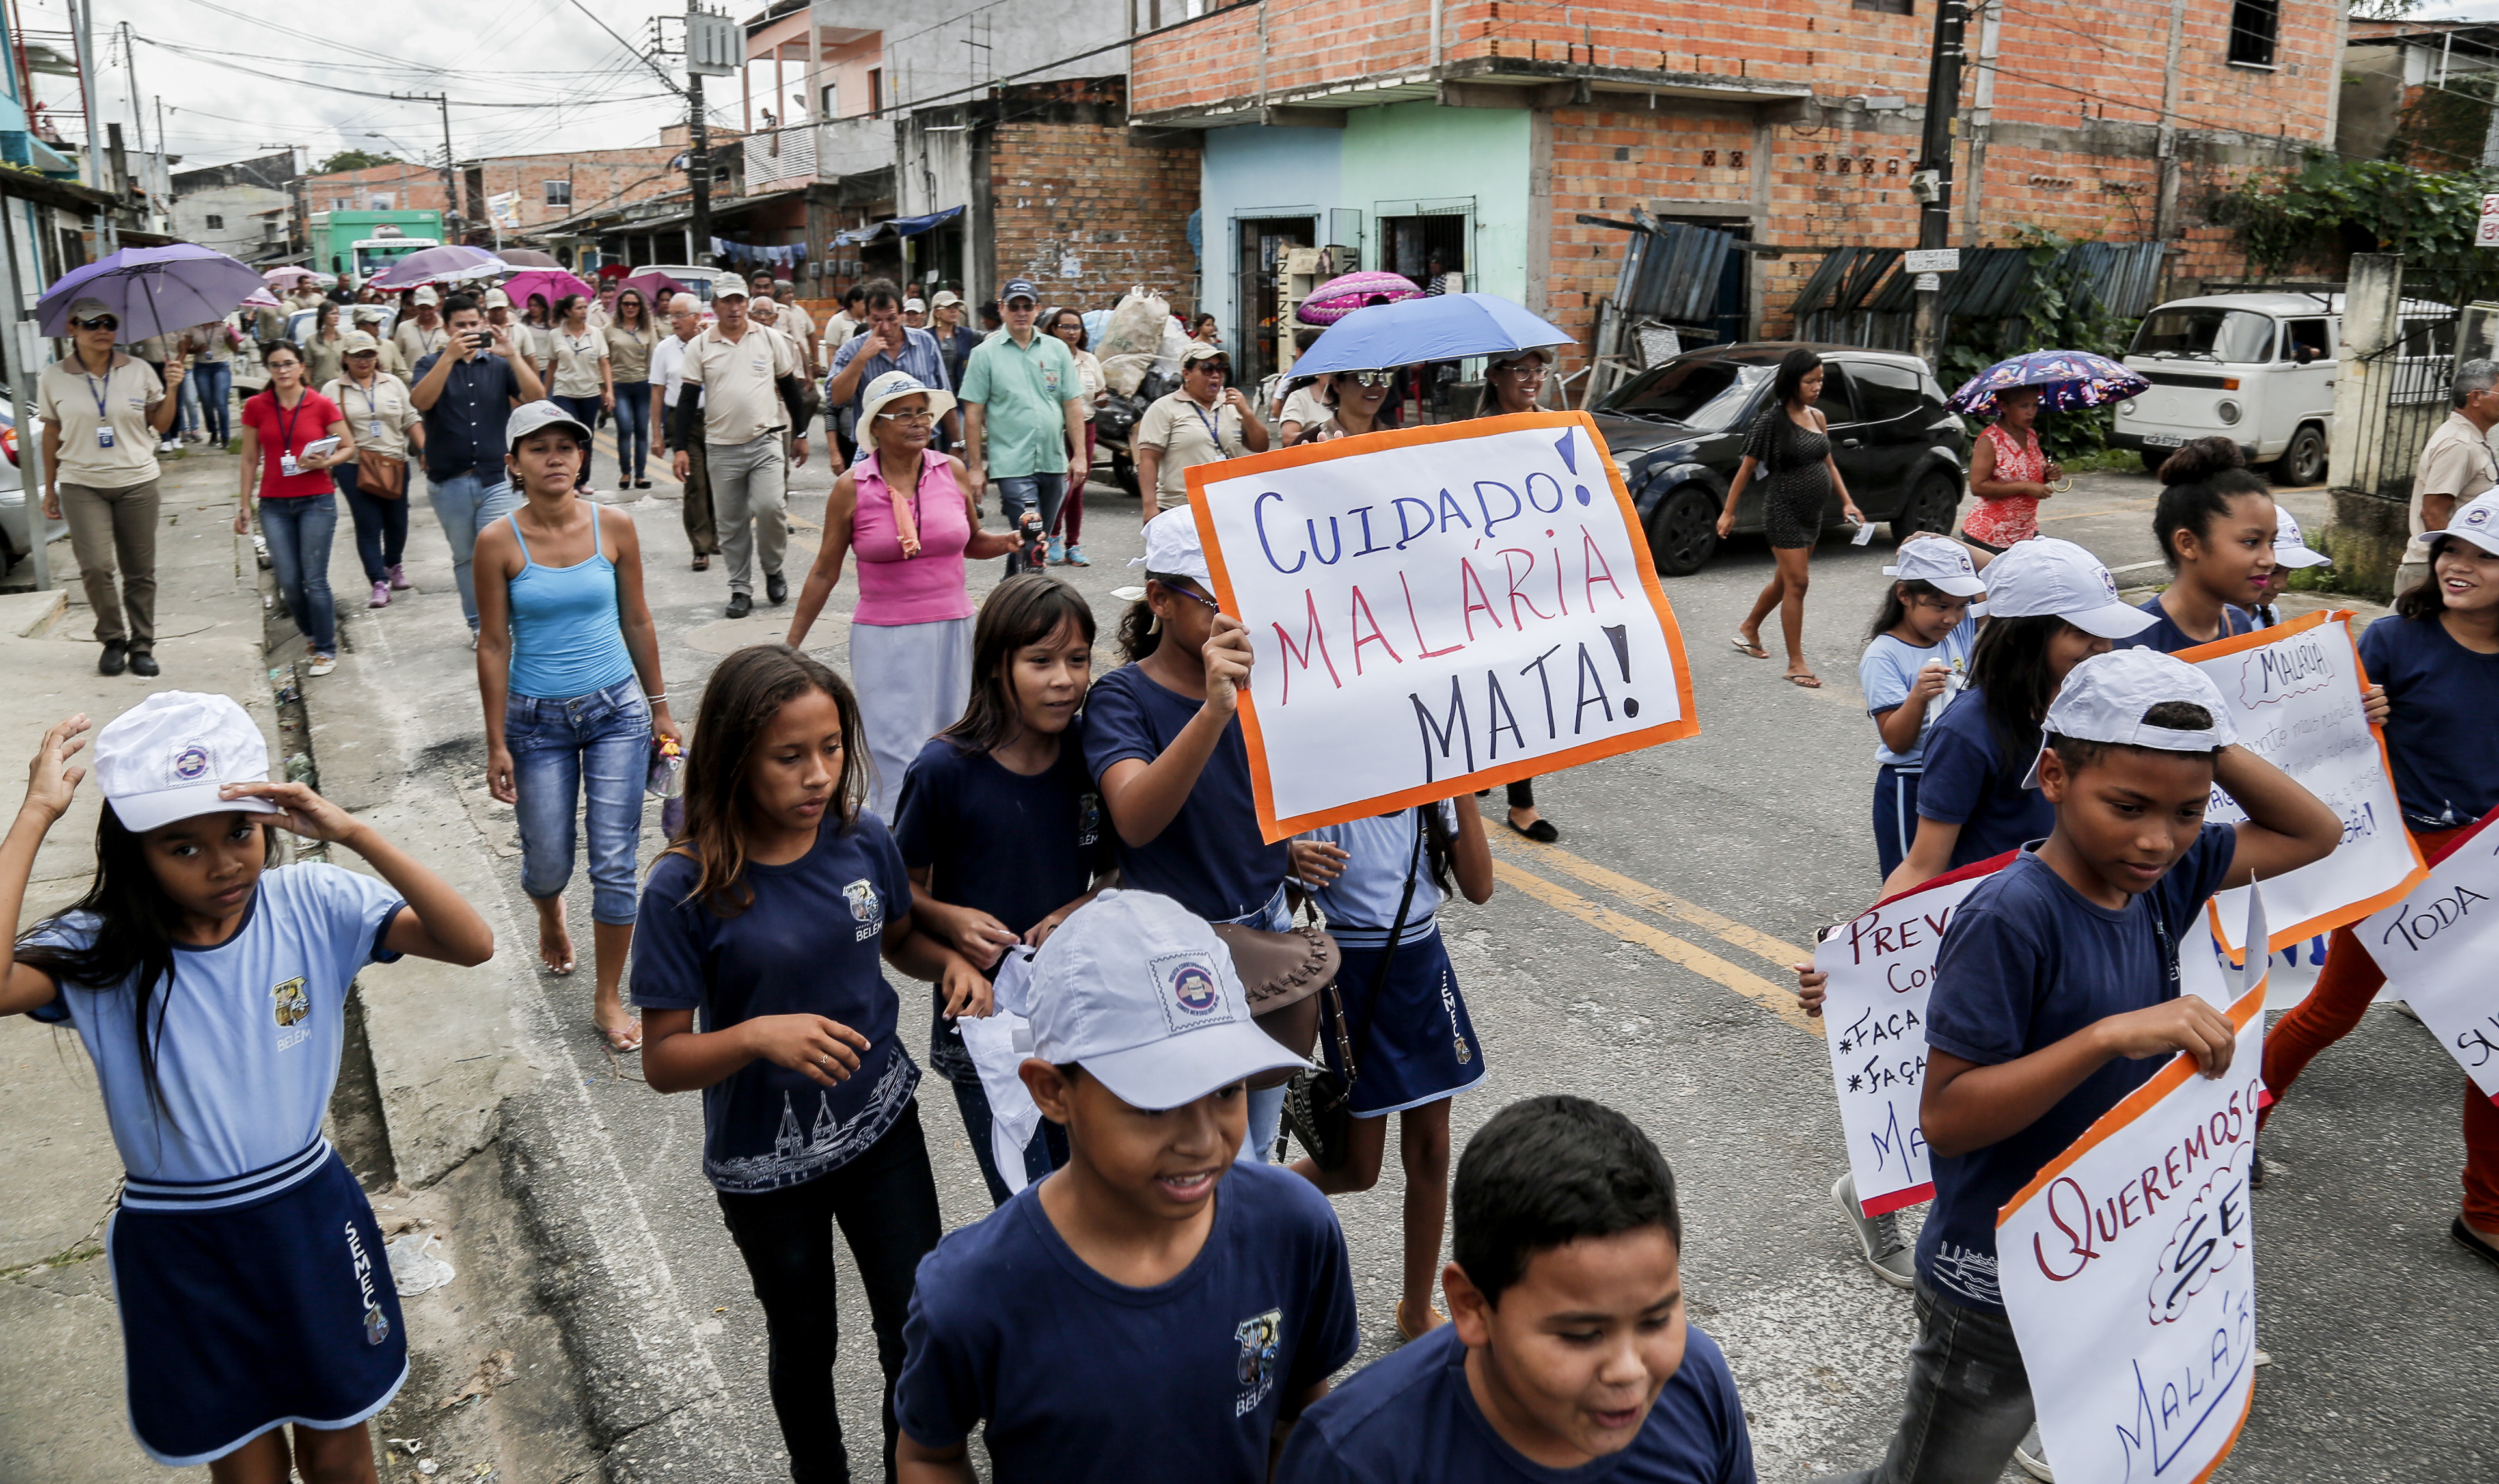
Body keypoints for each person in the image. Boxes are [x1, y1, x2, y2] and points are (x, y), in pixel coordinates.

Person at [1799, 647, 2341, 1484]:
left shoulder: (2161, 880)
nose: (2158, 838)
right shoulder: (2012, 917)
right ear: (2053, 776)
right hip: (1995, 1277)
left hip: (2097, 1251)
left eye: (2190, 811)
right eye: (2127, 806)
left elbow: (2315, 832)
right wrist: (2106, 1037)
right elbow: (1946, 1116)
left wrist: (2204, 732)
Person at [1, 694, 494, 1479]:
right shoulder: (100, 950)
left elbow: (472, 943)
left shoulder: (313, 901)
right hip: (183, 1244)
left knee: (341, 1453)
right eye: (182, 846)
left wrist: (354, 833)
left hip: (310, 1219)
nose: (224, 862)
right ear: (134, 851)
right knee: (245, 1468)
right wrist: (34, 814)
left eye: (239, 831)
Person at [892, 889, 1359, 1483]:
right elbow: (928, 1454)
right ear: (1052, 1090)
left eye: (1225, 1088)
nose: (1201, 1140)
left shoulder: (1293, 1228)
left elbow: (1299, 1418)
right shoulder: (973, 1288)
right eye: (1155, 1102)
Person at [635, 643, 960, 1483]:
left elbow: (898, 942)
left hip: (884, 1128)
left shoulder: (863, 840)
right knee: (806, 1340)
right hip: (765, 1163)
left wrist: (953, 965)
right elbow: (663, 1059)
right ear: (736, 759)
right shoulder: (684, 887)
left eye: (832, 747)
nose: (819, 775)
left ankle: (910, 1468)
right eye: (790, 756)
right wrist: (754, 1037)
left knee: (915, 1324)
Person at [1277, 1095, 1758, 1483]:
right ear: (1472, 1307)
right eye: (1582, 1334)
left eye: (1656, 1320)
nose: (1630, 1370)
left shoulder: (1696, 1379)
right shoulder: (1355, 1459)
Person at [2261, 489, 2499, 1269]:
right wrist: (2354, 710)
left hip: (2486, 871)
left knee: (2491, 1045)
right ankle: (2227, 1136)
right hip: (2398, 863)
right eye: (2453, 549)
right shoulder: (2396, 637)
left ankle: (2486, 1212)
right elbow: (2320, 740)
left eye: (2486, 557)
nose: (2460, 566)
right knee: (2330, 1012)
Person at [1086, 509, 1298, 1158]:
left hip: (1268, 927)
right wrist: (1213, 710)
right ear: (1160, 600)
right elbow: (1135, 818)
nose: (1235, 617)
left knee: (1259, 1141)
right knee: (1205, 1149)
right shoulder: (1121, 699)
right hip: (1178, 953)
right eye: (1214, 601)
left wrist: (1288, 849)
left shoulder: (1267, 679)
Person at [893, 574, 1109, 1203]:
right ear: (996, 665)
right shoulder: (944, 769)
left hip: (1074, 1013)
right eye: (1040, 661)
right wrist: (951, 919)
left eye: (1078, 659)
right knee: (1029, 1205)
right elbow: (899, 891)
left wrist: (1079, 907)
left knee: (1090, 1193)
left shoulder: (1091, 753)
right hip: (982, 1024)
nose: (1064, 679)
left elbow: (1121, 871)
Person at [474, 401, 679, 1053]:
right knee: (547, 863)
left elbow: (637, 619)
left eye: (566, 446)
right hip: (535, 723)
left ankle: (608, 994)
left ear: (582, 457)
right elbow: (493, 643)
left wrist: (660, 708)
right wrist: (496, 742)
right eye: (538, 449)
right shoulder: (497, 542)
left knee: (615, 860)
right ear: (514, 464)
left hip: (617, 711)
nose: (555, 458)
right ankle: (550, 914)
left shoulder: (613, 526)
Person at [1287, 789, 1494, 1341]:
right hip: (1358, 979)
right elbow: (1276, 900)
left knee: (1432, 1148)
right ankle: (1249, 1197)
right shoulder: (1328, 796)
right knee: (1358, 1168)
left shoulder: (1433, 790)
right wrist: (1287, 858)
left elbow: (1480, 887)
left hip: (1423, 966)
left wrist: (1465, 787)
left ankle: (1417, 1307)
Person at [785, 371, 1020, 818]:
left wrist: (1007, 541)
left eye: (924, 413)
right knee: (893, 748)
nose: (920, 423)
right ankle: (896, 838)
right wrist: (791, 645)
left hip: (955, 628)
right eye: (905, 414)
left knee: (958, 737)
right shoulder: (852, 487)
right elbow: (824, 571)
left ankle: (955, 833)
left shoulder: (950, 471)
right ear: (876, 425)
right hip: (885, 637)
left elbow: (971, 542)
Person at [1880, 536, 2155, 897]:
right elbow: (1923, 865)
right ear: (2020, 637)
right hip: (2000, 915)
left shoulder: (2098, 708)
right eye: (2082, 632)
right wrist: (1869, 933)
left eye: (2107, 632)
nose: (2104, 647)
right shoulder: (1966, 732)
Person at [37, 298, 182, 677]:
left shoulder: (139, 370)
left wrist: (172, 388)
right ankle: (113, 639)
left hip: (138, 481)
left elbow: (162, 425)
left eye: (109, 323)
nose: (102, 330)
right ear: (72, 328)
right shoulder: (53, 376)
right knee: (96, 567)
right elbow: (51, 434)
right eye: (91, 323)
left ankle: (143, 644)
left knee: (139, 571)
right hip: (82, 483)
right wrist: (49, 489)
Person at [1717, 347, 1865, 690]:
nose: (1817, 387)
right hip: (1783, 511)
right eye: (1810, 381)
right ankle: (1796, 664)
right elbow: (1746, 469)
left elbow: (1829, 464)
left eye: (1821, 380)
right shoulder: (1772, 421)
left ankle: (1750, 627)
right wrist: (1728, 512)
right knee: (1799, 583)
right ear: (1792, 381)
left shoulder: (1818, 417)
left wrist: (1847, 502)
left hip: (1811, 514)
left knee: (1786, 581)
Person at [670, 277, 811, 619]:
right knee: (731, 523)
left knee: (770, 507)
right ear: (714, 306)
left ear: (747, 303)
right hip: (722, 448)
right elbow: (687, 400)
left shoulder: (770, 339)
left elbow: (790, 389)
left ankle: (773, 569)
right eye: (727, 301)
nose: (734, 308)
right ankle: (740, 588)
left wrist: (803, 432)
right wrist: (680, 448)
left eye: (739, 301)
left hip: (766, 441)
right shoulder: (700, 346)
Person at [412, 294, 547, 641]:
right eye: (461, 325)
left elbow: (537, 398)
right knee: (466, 557)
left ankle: (510, 624)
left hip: (496, 478)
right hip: (450, 481)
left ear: (484, 324)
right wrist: (449, 358)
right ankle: (480, 626)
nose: (469, 330)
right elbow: (421, 401)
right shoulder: (429, 363)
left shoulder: (499, 365)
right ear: (446, 328)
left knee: (503, 552)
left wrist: (512, 355)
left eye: (474, 323)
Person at [1859, 535, 1989, 881]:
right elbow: (1897, 742)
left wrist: (1946, 543)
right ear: (1904, 595)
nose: (1951, 618)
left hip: (1958, 772)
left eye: (1961, 606)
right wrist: (1918, 696)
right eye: (1940, 606)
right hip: (1912, 781)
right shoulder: (1883, 655)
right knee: (1915, 887)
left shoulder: (1959, 627)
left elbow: (2005, 576)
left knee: (1958, 881)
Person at [238, 342, 355, 679]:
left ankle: (325, 649)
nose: (283, 370)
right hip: (273, 504)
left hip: (316, 500)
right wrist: (244, 504)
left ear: (302, 367)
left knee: (314, 579)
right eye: (275, 365)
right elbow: (249, 458)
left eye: (289, 363)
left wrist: (325, 462)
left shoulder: (321, 404)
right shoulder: (256, 406)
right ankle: (311, 635)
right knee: (289, 582)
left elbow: (348, 447)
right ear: (268, 370)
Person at [961, 278, 1089, 576]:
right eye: (1014, 306)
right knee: (1032, 536)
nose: (1021, 312)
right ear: (1002, 309)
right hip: (1012, 463)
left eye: (1027, 306)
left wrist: (1080, 455)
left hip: (1053, 461)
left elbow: (1072, 405)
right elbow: (973, 414)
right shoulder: (985, 354)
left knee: (1032, 540)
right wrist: (976, 468)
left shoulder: (1057, 350)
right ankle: (1032, 598)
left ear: (1037, 310)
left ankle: (1010, 592)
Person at [2121, 439, 2272, 653]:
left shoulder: (2239, 624)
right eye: (2251, 542)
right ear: (2188, 544)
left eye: (2272, 542)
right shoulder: (2134, 643)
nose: (2269, 560)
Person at [322, 331, 423, 610]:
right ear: (345, 358)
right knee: (368, 523)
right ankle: (378, 582)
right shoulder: (332, 390)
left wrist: (425, 451)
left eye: (368, 354)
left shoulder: (393, 384)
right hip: (354, 466)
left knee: (397, 521)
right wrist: (326, 467)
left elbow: (411, 418)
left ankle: (393, 565)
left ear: (377, 356)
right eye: (357, 356)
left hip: (394, 463)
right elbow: (325, 430)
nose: (363, 360)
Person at [1134, 342, 1270, 525]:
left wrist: (1247, 413)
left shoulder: (1231, 406)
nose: (1216, 375)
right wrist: (1150, 507)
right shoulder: (1164, 408)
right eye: (1207, 369)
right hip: (1181, 509)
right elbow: (1149, 460)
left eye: (1221, 369)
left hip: (1228, 507)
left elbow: (1261, 446)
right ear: (1187, 374)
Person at [826, 279, 961, 458]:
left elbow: (945, 395)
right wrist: (861, 359)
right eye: (877, 320)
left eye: (891, 319)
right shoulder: (852, 350)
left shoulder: (925, 343)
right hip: (875, 453)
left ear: (902, 314)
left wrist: (957, 443)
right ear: (867, 316)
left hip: (922, 447)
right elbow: (836, 398)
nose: (885, 327)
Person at [2405, 358, 2499, 597]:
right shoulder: (2459, 444)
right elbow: (2433, 512)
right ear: (2476, 397)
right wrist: (2451, 566)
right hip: (2439, 571)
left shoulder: (2472, 439)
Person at [651, 291, 718, 571]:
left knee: (717, 480)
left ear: (697, 317)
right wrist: (657, 434)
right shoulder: (664, 349)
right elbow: (657, 392)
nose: (674, 321)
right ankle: (700, 547)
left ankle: (716, 535)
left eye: (680, 315)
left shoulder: (714, 341)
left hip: (716, 417)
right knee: (695, 483)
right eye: (671, 315)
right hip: (682, 420)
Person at [1961, 386, 2060, 554]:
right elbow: (1977, 487)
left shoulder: (2030, 435)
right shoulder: (1990, 440)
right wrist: (2024, 487)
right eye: (2024, 406)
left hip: (2025, 531)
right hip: (1991, 535)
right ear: (2004, 406)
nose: (2031, 412)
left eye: (2035, 405)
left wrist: (2048, 475)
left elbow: (2028, 476)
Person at [1042, 306, 1102, 567]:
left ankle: (1073, 545)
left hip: (1085, 426)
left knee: (1078, 486)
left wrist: (1103, 398)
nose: (1071, 332)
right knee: (1059, 486)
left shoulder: (1090, 360)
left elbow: (1101, 390)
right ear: (1054, 330)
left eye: (1076, 327)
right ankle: (1052, 536)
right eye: (1065, 327)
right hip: (1056, 429)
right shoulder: (1045, 358)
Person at [605, 285, 658, 490]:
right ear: (620, 306)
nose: (630, 307)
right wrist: (605, 388)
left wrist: (656, 387)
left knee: (642, 430)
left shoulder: (648, 329)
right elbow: (603, 360)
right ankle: (626, 472)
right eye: (626, 303)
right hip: (619, 385)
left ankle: (641, 475)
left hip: (643, 384)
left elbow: (654, 358)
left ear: (640, 307)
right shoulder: (610, 329)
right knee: (625, 428)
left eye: (635, 304)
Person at [2251, 506, 2332, 627]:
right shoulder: (2222, 623)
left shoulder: (2270, 613)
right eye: (2273, 572)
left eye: (2289, 571)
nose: (2281, 585)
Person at [183, 318, 238, 448]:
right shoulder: (192, 328)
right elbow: (185, 349)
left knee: (221, 402)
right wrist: (198, 349)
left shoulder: (222, 327)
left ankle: (225, 437)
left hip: (220, 366)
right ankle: (213, 433)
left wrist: (231, 334)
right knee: (207, 403)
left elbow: (235, 349)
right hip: (201, 367)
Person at [929, 289, 980, 391]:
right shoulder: (925, 336)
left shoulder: (966, 334)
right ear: (936, 312)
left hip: (959, 394)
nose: (954, 311)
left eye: (956, 307)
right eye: (948, 307)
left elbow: (988, 337)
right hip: (933, 392)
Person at [392, 286, 450, 370]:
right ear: (415, 305)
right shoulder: (403, 328)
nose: (426, 313)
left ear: (437, 305)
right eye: (422, 308)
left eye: (430, 308)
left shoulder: (447, 327)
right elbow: (397, 359)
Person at [351, 304, 411, 384]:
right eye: (374, 323)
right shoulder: (349, 348)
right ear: (360, 326)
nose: (378, 326)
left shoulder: (389, 346)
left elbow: (402, 374)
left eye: (379, 322)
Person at [301, 301, 349, 394]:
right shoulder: (311, 341)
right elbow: (307, 369)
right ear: (323, 316)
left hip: (341, 387)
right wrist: (309, 389)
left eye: (338, 313)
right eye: (332, 314)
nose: (337, 316)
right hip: (319, 388)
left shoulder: (345, 339)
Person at [771, 280, 818, 374]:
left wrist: (816, 362)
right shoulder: (772, 312)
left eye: (792, 292)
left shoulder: (799, 310)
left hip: (804, 361)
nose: (791, 295)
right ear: (777, 295)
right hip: (785, 363)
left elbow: (811, 334)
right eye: (787, 293)